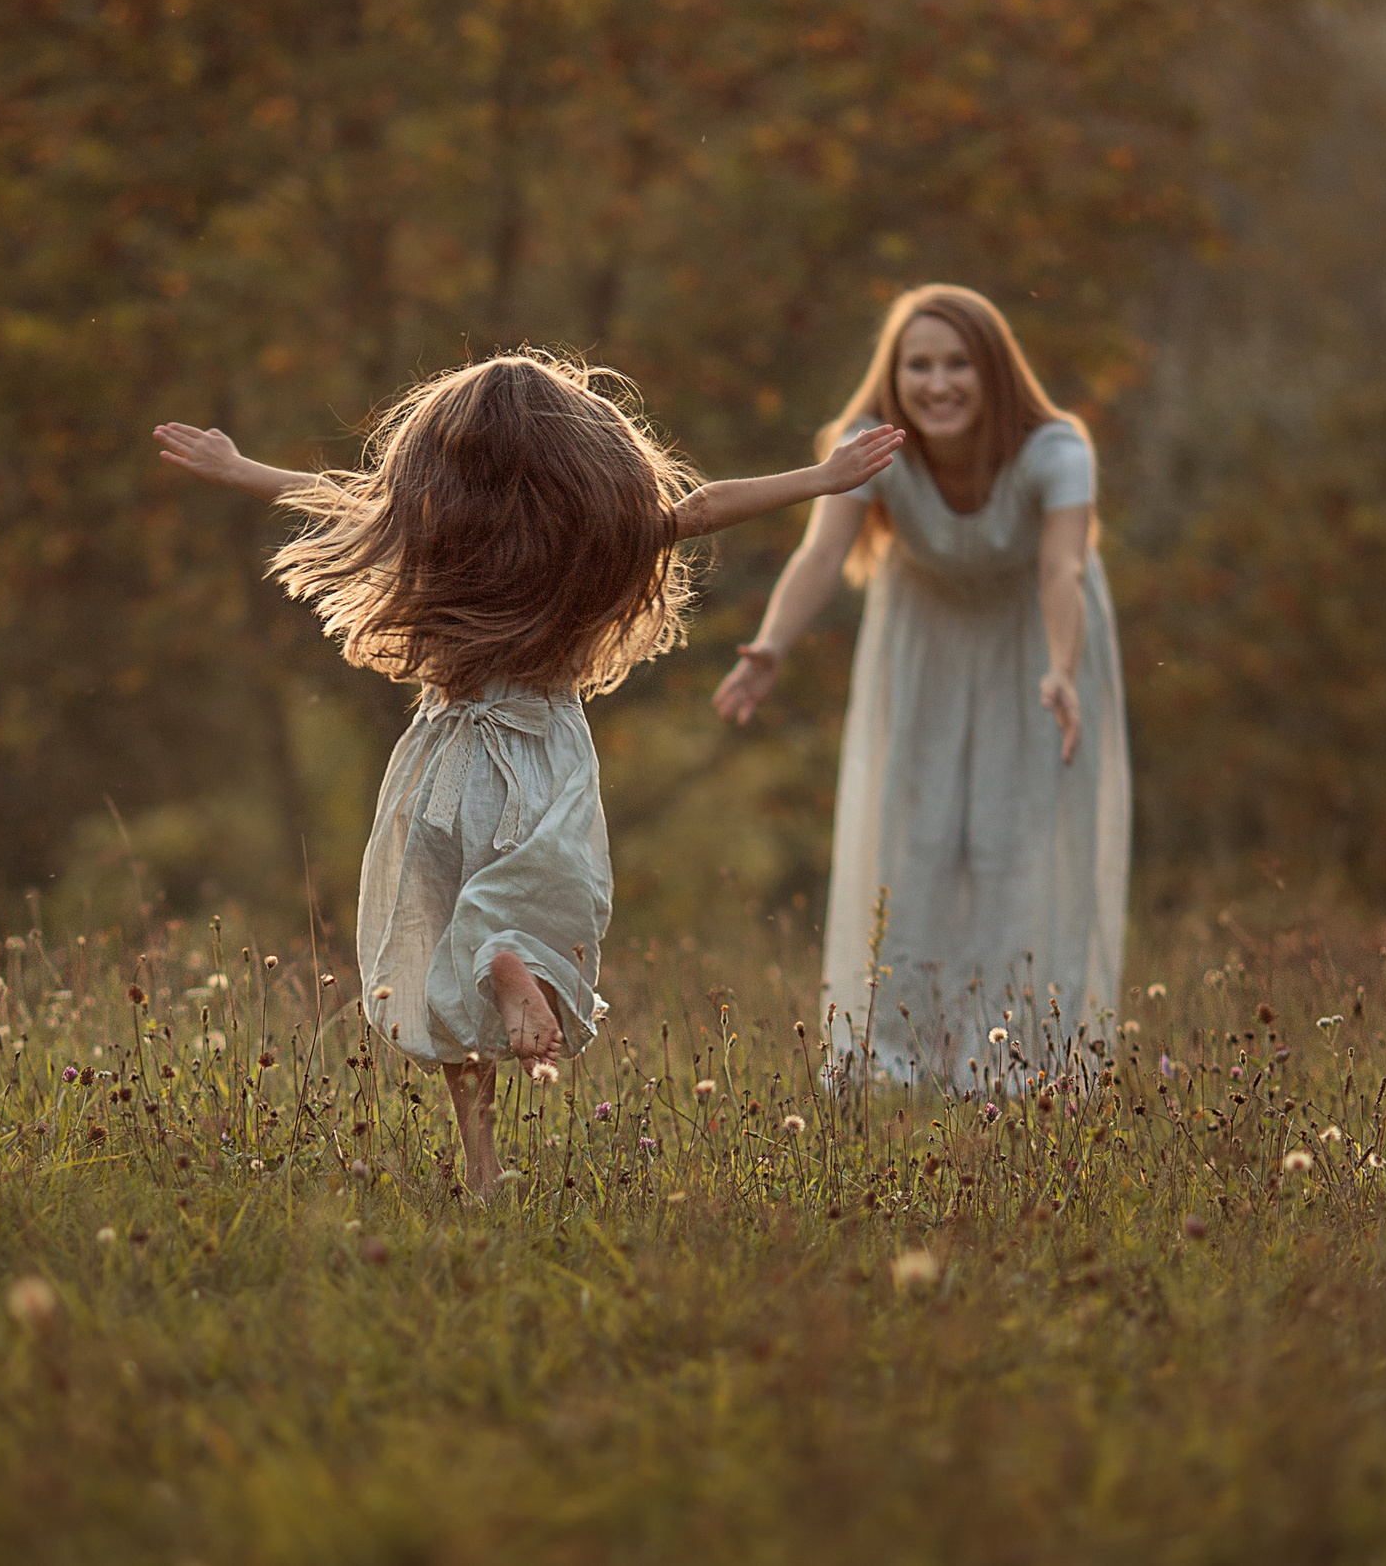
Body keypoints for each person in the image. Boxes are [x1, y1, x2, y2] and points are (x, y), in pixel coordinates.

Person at [153, 353, 900, 1191]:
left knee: (446, 945)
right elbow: (704, 505)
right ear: (591, 463)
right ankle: (514, 962)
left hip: (443, 759)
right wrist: (824, 477)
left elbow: (335, 497)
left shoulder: (434, 528)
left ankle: (482, 1162)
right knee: (544, 893)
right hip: (541, 747)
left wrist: (236, 466)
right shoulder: (604, 532)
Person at [714, 285, 1129, 1083]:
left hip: (1037, 645)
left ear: (994, 371)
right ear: (894, 377)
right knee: (918, 835)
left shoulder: (1056, 449)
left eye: (958, 364)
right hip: (925, 641)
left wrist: (1063, 668)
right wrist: (769, 645)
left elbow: (1063, 566)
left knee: (1015, 841)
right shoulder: (869, 446)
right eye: (919, 366)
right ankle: (899, 1058)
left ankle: (1020, 1061)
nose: (938, 383)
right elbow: (821, 554)